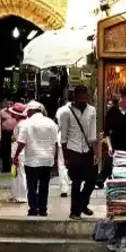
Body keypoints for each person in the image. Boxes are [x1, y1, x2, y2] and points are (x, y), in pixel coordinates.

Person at [59, 85, 98, 219]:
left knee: (92, 181)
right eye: (81, 97)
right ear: (75, 97)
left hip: (87, 150)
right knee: (76, 183)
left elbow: (93, 135)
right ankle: (74, 212)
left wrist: (96, 153)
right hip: (73, 150)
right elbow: (63, 137)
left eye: (85, 97)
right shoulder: (66, 112)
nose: (83, 100)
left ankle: (82, 204)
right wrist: (65, 157)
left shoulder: (92, 111)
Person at [14, 101, 59, 217]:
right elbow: (55, 143)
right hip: (47, 159)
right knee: (44, 186)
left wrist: (16, 156)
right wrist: (55, 159)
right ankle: (43, 209)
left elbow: (21, 143)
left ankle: (33, 209)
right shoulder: (51, 123)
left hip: (32, 160)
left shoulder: (27, 123)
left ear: (30, 111)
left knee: (32, 186)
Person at [8, 103, 28, 203]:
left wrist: (15, 156)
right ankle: (15, 194)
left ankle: (21, 196)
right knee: (14, 174)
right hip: (16, 153)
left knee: (19, 174)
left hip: (19, 154)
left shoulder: (22, 125)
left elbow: (20, 142)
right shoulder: (20, 124)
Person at [55, 95, 72, 197]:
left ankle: (64, 189)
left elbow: (59, 125)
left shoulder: (60, 110)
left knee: (62, 165)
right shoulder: (81, 110)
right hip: (75, 141)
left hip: (62, 139)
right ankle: (76, 185)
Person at [0, 101, 16, 173]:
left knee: (14, 150)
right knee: (5, 151)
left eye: (10, 104)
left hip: (14, 133)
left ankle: (14, 168)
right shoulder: (2, 112)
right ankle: (6, 168)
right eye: (7, 104)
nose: (9, 105)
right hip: (5, 133)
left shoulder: (15, 112)